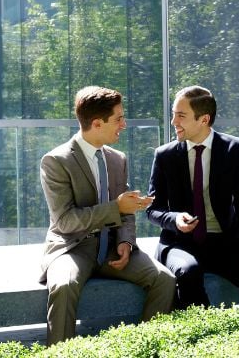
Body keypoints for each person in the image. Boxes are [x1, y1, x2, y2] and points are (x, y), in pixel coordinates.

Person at [38, 86, 175, 345]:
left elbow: (127, 211)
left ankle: (146, 348)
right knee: (64, 287)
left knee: (165, 280)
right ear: (97, 123)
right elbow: (65, 221)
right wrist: (116, 208)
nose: (123, 124)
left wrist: (125, 242)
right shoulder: (56, 161)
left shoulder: (117, 159)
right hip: (72, 247)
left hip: (113, 246)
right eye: (118, 119)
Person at [146, 86, 239, 320]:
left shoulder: (234, 149)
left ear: (204, 119)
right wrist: (174, 219)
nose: (174, 121)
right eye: (174, 114)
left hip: (224, 243)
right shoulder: (165, 155)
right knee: (189, 273)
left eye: (181, 115)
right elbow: (152, 209)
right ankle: (206, 340)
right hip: (179, 243)